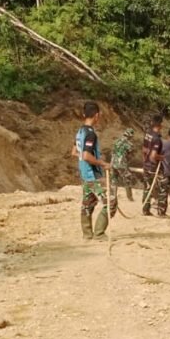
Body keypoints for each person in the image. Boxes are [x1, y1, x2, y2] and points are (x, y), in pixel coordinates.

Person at [72, 101, 115, 240]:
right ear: (97, 115)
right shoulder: (91, 134)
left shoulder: (80, 132)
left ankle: (87, 234)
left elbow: (74, 152)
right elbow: (86, 155)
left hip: (84, 174)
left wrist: (85, 159)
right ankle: (99, 233)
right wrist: (102, 163)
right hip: (92, 174)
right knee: (111, 202)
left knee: (88, 203)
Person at [142, 114, 168, 217]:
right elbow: (153, 156)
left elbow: (144, 150)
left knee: (147, 187)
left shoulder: (147, 134)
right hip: (154, 167)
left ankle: (145, 210)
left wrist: (145, 162)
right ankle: (161, 211)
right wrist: (161, 157)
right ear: (160, 124)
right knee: (163, 186)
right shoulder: (157, 138)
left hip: (146, 165)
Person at [111, 128, 135, 202]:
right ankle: (129, 197)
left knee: (114, 180)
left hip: (113, 163)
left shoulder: (116, 141)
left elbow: (113, 152)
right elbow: (130, 156)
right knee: (127, 180)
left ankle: (113, 196)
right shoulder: (129, 144)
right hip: (122, 164)